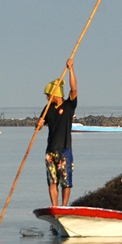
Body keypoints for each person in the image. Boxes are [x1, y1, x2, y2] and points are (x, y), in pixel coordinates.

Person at [36, 58, 78, 206]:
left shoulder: (68, 106)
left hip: (64, 149)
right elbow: (40, 124)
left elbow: (74, 89)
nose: (47, 97)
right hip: (50, 150)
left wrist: (71, 68)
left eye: (48, 95)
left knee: (66, 181)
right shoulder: (48, 108)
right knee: (52, 181)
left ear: (55, 94)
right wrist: (39, 124)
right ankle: (54, 206)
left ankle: (64, 206)